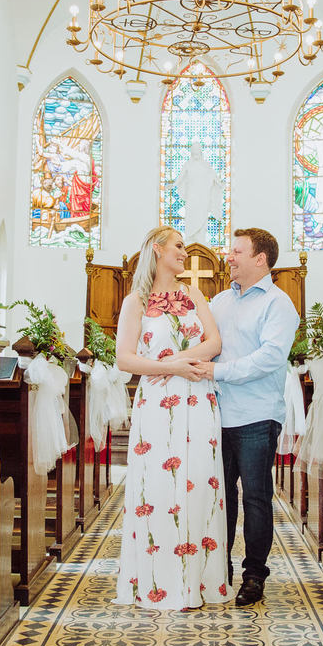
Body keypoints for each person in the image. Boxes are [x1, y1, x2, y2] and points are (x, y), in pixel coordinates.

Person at [111, 225, 231, 610]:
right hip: (157, 404)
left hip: (197, 400)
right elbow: (124, 358)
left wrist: (174, 363)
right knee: (159, 486)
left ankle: (197, 583)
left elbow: (214, 343)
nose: (184, 252)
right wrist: (174, 369)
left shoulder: (195, 294)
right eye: (178, 246)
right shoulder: (136, 301)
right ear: (158, 250)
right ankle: (157, 582)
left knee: (198, 482)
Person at [194, 227, 299, 607]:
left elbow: (270, 358)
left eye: (237, 251)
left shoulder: (278, 304)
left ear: (260, 259)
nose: (229, 257)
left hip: (256, 416)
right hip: (215, 415)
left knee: (256, 498)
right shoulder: (220, 301)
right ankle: (218, 570)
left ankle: (254, 575)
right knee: (221, 498)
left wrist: (218, 372)